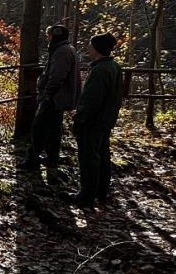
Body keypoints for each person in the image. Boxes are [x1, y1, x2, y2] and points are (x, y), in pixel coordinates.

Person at [69, 32, 124, 208]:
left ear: (98, 48)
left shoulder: (100, 70)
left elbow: (92, 99)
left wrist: (79, 117)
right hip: (106, 120)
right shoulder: (114, 67)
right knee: (102, 155)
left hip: (93, 122)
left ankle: (87, 195)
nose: (88, 48)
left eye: (91, 45)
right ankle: (101, 191)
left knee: (89, 158)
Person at [19, 24, 79, 174]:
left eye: (49, 35)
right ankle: (51, 158)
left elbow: (57, 76)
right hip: (58, 97)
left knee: (39, 127)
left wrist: (47, 94)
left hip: (54, 98)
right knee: (53, 128)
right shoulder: (65, 50)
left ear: (55, 36)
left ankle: (33, 159)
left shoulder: (62, 52)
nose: (48, 38)